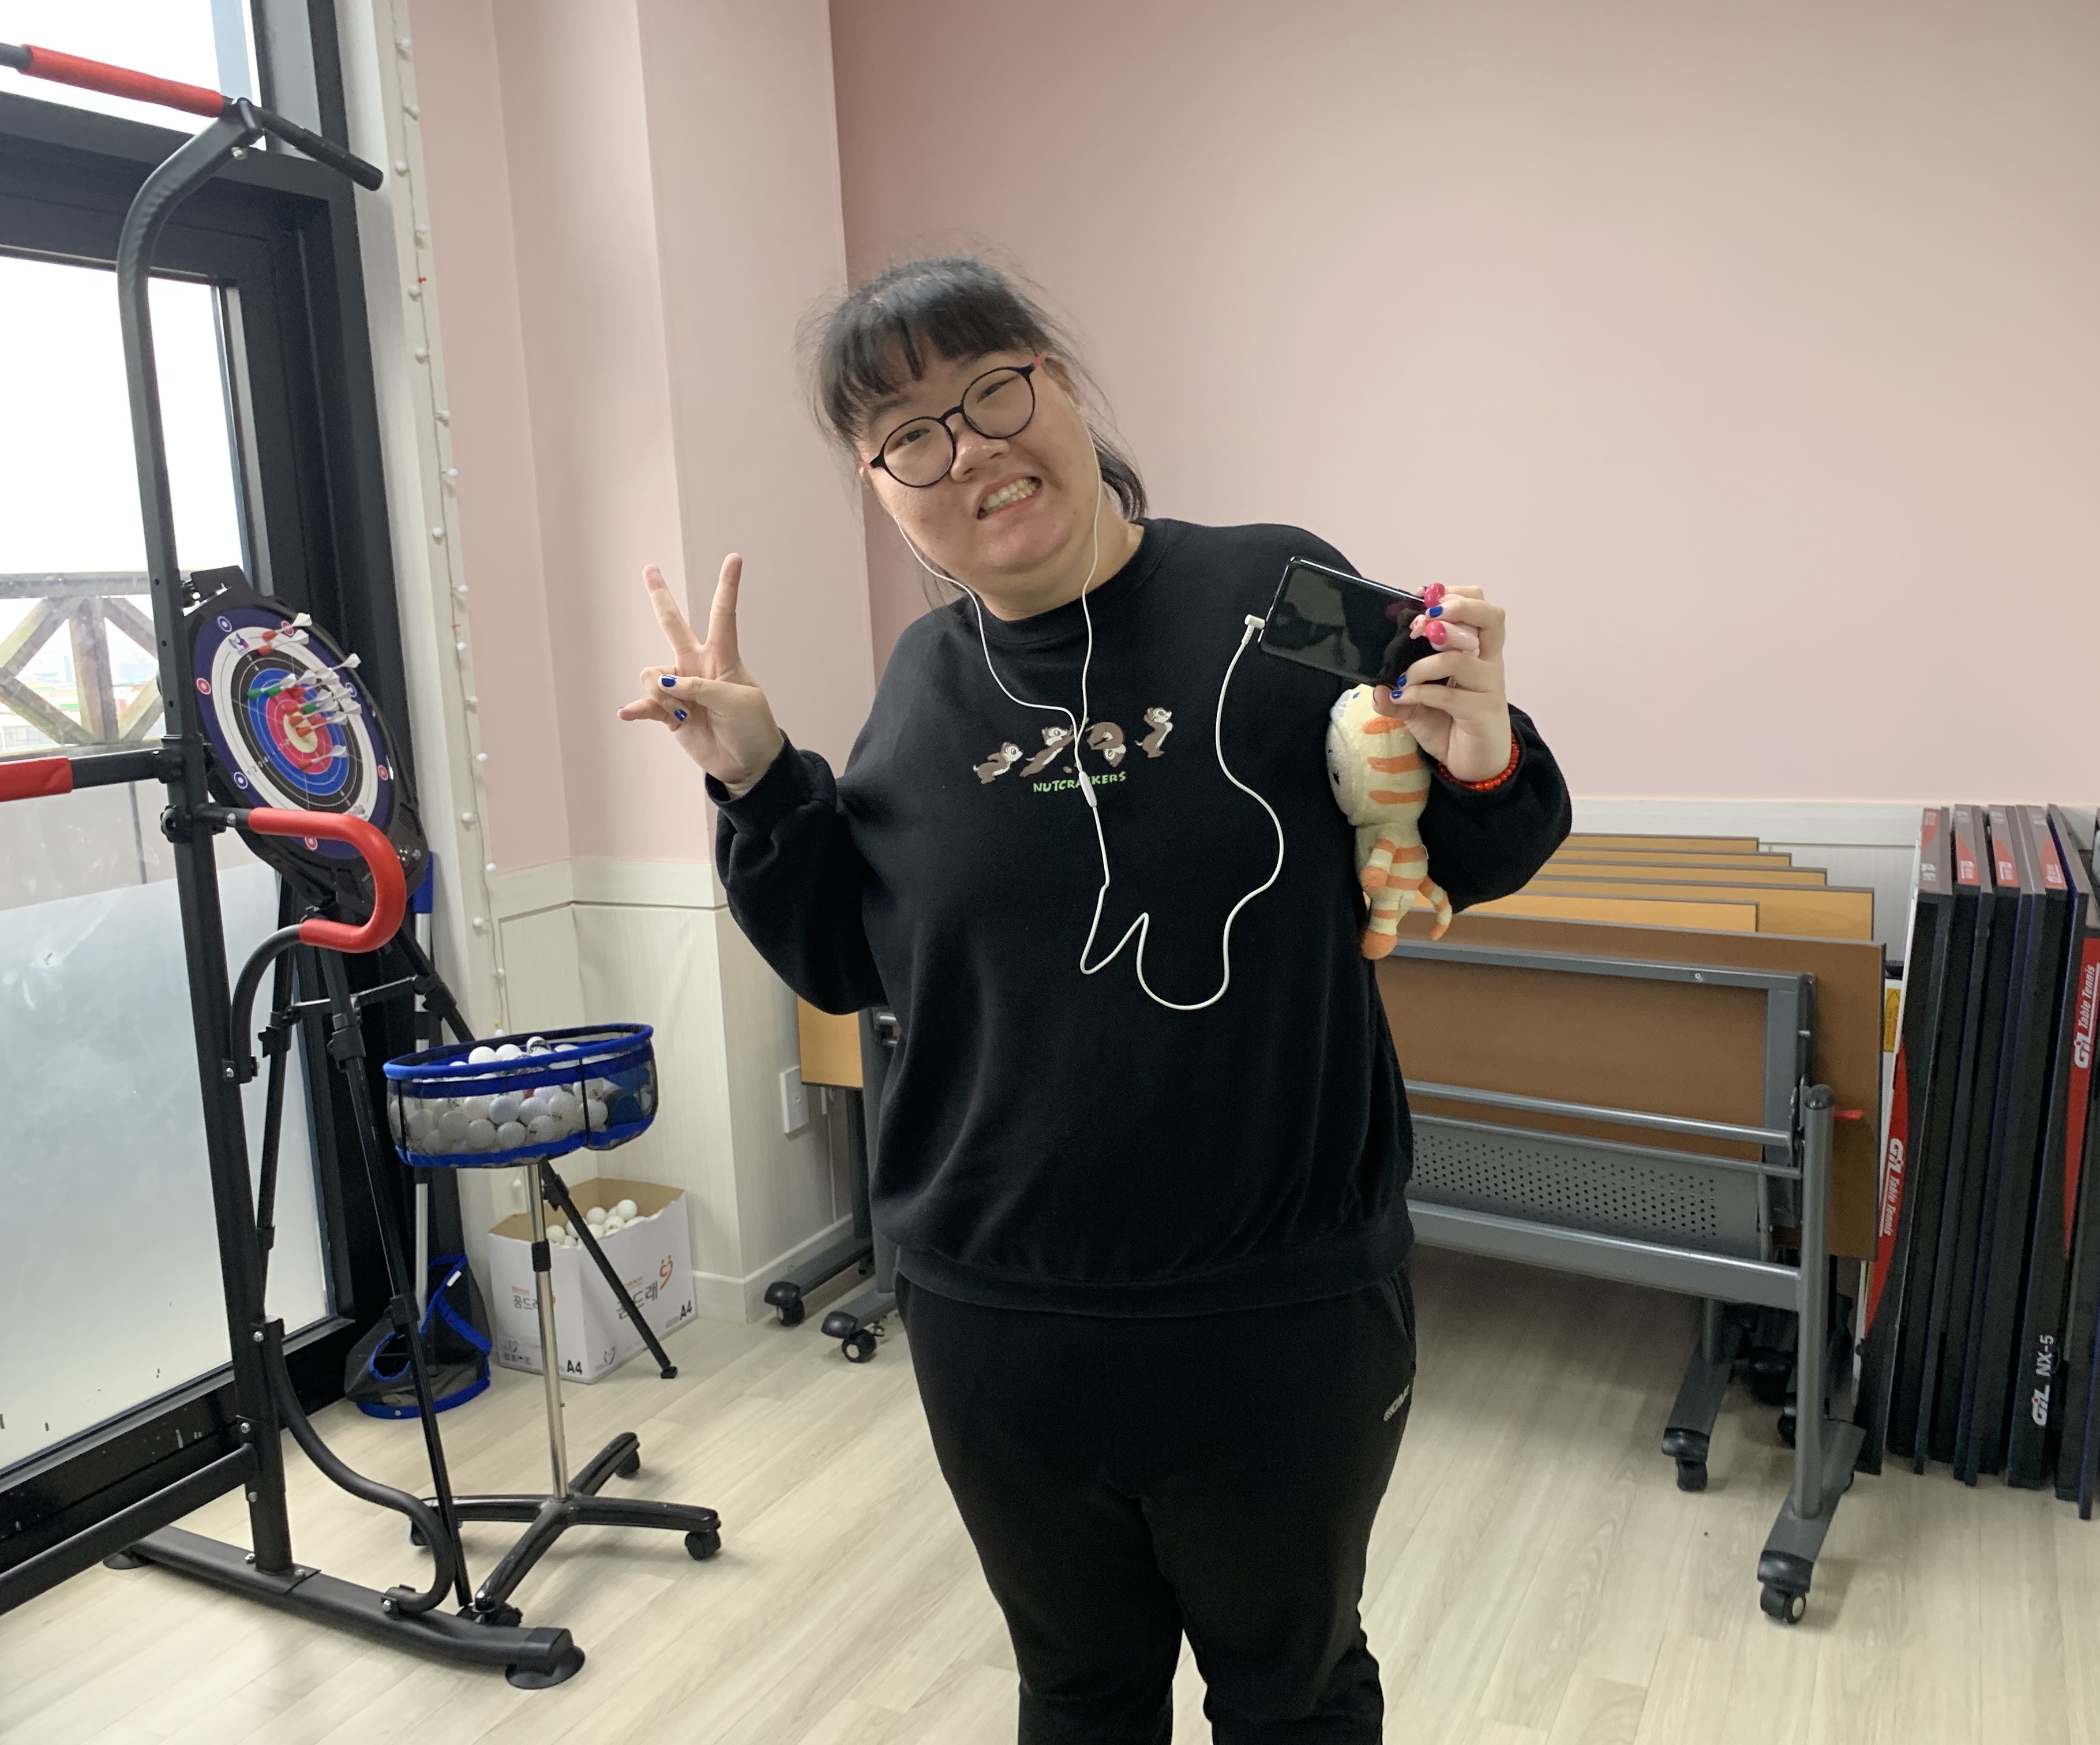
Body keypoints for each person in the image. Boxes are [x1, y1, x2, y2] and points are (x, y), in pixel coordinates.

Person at [621, 257, 1569, 1743]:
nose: (968, 450)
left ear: (1059, 385)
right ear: (882, 491)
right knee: (1076, 1692)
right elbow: (851, 959)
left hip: (1280, 1310)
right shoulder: (925, 681)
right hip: (998, 1322)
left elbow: (1481, 830)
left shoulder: (1278, 593)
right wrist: (755, 780)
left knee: (1296, 1690)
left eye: (993, 389)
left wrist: (1493, 748)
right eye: (909, 435)